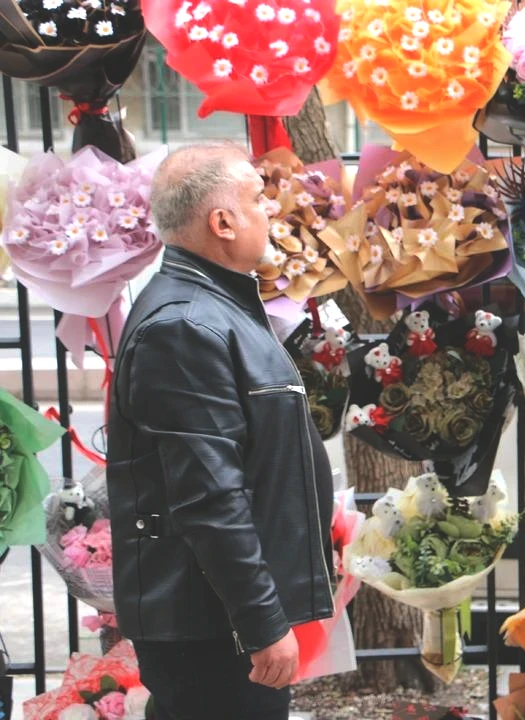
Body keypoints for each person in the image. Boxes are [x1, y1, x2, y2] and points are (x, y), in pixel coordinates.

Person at [106, 143, 335, 719]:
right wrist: (261, 624)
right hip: (211, 626)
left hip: (220, 620)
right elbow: (209, 496)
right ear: (223, 222)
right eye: (259, 199)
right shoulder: (185, 325)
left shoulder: (217, 309)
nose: (271, 213)